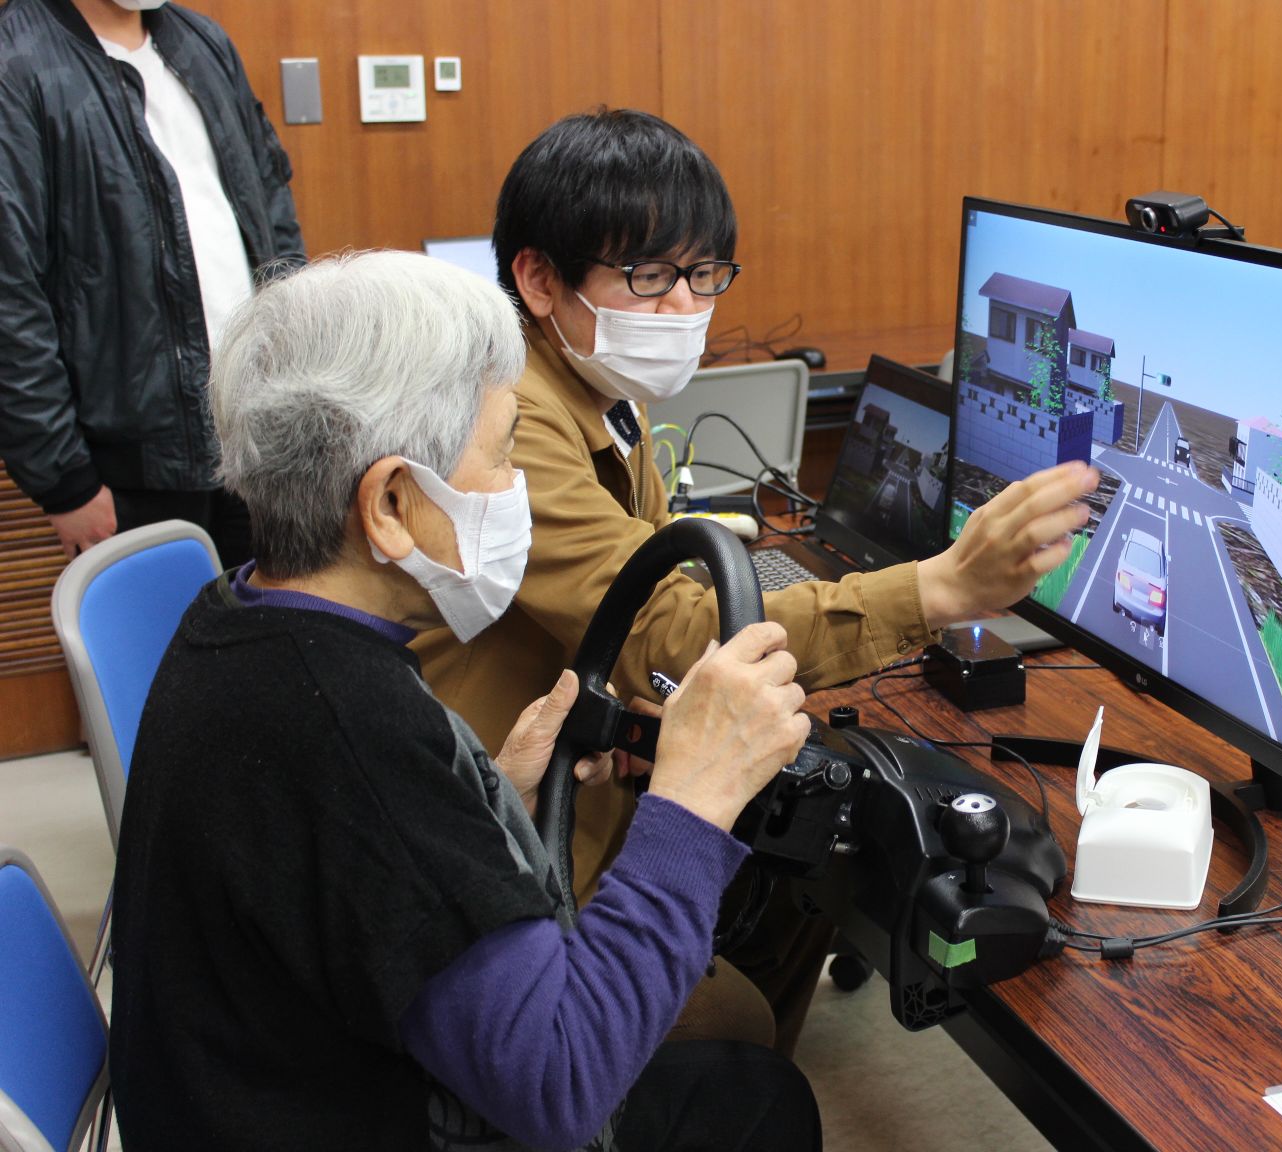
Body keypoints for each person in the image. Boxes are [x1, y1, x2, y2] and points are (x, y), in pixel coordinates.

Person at [412, 108, 1100, 1050]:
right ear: (537, 277)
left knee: (811, 828)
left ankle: (723, 1075)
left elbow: (651, 603)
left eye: (703, 277)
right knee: (800, 861)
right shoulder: (516, 420)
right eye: (648, 278)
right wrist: (936, 590)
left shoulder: (599, 398)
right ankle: (711, 1080)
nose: (683, 309)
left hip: (576, 761)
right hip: (517, 830)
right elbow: (674, 632)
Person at [108, 251, 822, 1152]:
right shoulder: (352, 725)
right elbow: (562, 1087)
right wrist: (692, 803)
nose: (515, 489)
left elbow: (356, 872)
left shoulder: (238, 619)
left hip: (254, 1088)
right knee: (760, 1103)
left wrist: (490, 795)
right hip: (348, 1114)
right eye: (501, 455)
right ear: (393, 503)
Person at [0, 0, 304, 566]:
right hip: (128, 466)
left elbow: (271, 210)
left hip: (258, 436)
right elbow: (9, 298)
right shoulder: (16, 64)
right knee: (160, 650)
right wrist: (64, 480)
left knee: (266, 643)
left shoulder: (202, 43)